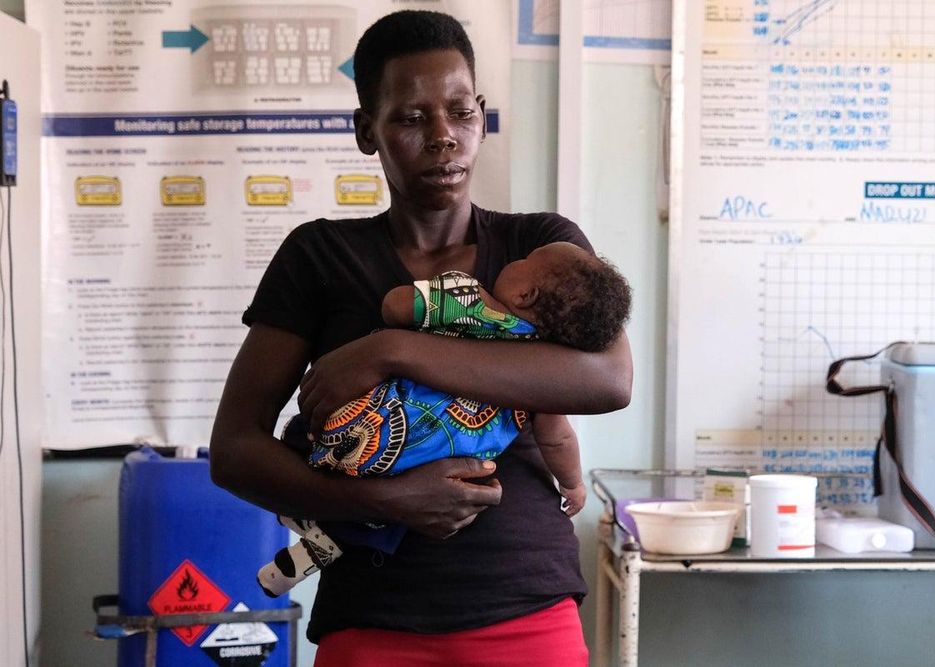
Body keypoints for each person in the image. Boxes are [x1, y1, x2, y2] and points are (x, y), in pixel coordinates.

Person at [210, 9, 632, 666]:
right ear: (366, 130)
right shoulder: (319, 256)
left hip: (525, 608)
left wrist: (392, 350)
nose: (443, 137)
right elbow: (234, 449)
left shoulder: (541, 249)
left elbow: (608, 379)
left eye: (461, 113)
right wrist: (384, 499)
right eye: (411, 118)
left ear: (481, 118)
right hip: (373, 617)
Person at [256, 245, 632, 598]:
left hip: (365, 429)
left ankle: (303, 510)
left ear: (525, 295)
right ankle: (303, 556)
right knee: (381, 522)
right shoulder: (544, 375)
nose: (514, 260)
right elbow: (558, 438)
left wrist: (440, 288)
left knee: (307, 434)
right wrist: (572, 484)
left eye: (525, 261)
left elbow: (394, 306)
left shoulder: (471, 302)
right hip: (424, 474)